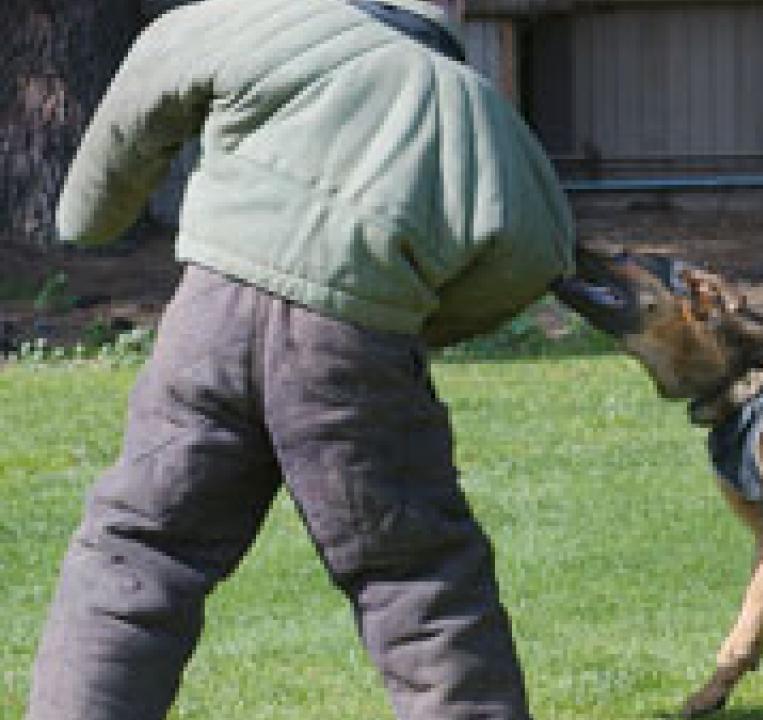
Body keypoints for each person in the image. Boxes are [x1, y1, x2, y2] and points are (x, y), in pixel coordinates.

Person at [26, 0, 574, 718]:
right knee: (419, 581)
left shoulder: (262, 23)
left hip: (208, 326)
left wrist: (91, 219)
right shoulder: (484, 117)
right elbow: (535, 255)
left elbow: (148, 82)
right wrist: (414, 320)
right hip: (358, 349)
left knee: (137, 551)